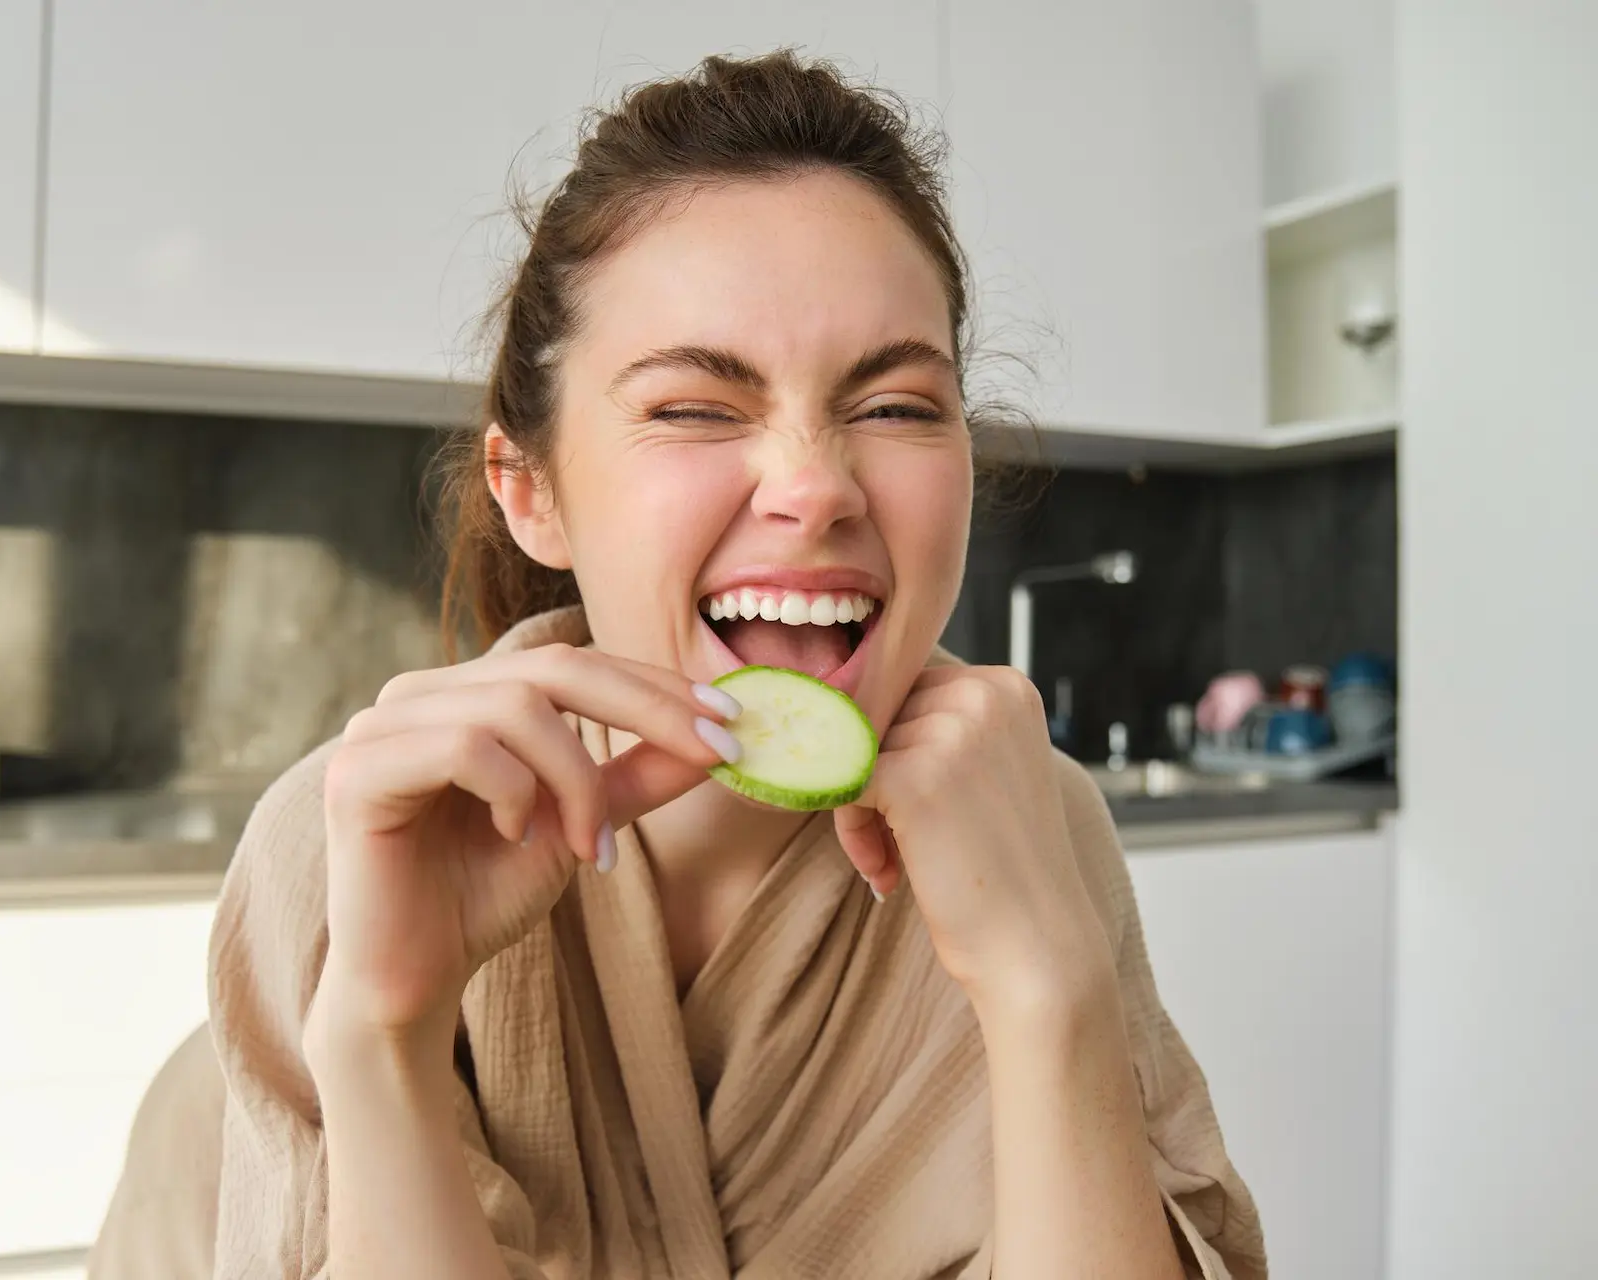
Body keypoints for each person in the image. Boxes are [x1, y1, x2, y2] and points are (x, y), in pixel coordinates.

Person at [149, 51, 1265, 1280]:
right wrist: (384, 1032)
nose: (816, 486)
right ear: (531, 492)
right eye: (694, 408)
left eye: (895, 406)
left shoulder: (1034, 822)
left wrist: (1051, 992)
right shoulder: (352, 842)